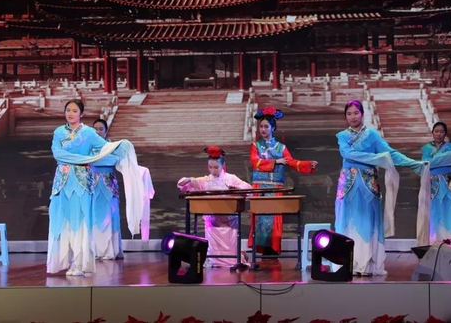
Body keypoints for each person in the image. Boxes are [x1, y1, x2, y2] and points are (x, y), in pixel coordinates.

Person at [48, 99, 149, 276]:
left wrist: (122, 146)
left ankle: (79, 264)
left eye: (74, 111)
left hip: (82, 182)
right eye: (68, 110)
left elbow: (105, 148)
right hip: (62, 182)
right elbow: (58, 154)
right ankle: (65, 262)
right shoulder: (58, 132)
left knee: (81, 221)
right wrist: (85, 160)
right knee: (61, 220)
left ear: (81, 114)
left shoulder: (88, 133)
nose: (70, 114)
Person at [335, 100, 427, 276]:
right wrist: (377, 159)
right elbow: (348, 154)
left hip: (368, 186)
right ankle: (347, 263)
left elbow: (391, 154)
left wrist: (413, 163)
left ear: (362, 114)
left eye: (356, 113)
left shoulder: (372, 135)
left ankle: (367, 265)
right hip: (348, 187)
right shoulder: (342, 136)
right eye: (349, 114)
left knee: (368, 223)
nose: (353, 117)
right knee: (347, 221)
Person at [248, 107, 318, 256]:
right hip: (260, 187)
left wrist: (308, 164)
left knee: (274, 219)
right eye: (261, 126)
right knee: (260, 219)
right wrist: (276, 161)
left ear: (273, 128)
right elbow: (255, 162)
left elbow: (292, 162)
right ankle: (259, 250)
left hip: (275, 188)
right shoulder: (255, 146)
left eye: (266, 126)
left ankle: (272, 250)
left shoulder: (281, 147)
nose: (263, 129)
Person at [177, 146, 252, 267]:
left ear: (223, 166)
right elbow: (183, 184)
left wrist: (237, 188)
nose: (213, 170)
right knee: (212, 250)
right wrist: (189, 179)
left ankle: (236, 257)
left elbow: (248, 188)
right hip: (212, 222)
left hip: (229, 222)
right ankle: (213, 260)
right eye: (210, 167)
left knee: (232, 251)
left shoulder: (231, 178)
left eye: (216, 167)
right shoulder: (205, 180)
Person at [91, 118, 123, 260]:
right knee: (94, 216)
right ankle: (94, 251)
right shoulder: (88, 148)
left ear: (106, 131)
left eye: (101, 129)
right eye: (95, 129)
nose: (98, 132)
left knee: (110, 215)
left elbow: (118, 161)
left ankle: (111, 250)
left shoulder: (112, 147)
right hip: (93, 186)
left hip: (109, 186)